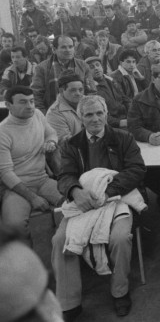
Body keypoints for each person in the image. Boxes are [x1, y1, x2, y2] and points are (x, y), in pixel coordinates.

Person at [52, 95, 146, 320]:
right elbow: (64, 175)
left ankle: (120, 291)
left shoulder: (124, 138)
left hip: (117, 198)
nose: (95, 119)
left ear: (106, 114)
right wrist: (75, 191)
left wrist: (108, 192)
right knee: (60, 240)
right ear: (80, 117)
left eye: (99, 113)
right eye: (89, 114)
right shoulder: (71, 144)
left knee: (120, 238)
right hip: (83, 200)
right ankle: (68, 301)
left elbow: (136, 170)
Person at [0, 86, 61, 242]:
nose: (30, 106)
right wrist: (32, 198)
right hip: (17, 188)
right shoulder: (3, 132)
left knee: (73, 203)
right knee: (14, 225)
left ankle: (70, 253)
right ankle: (27, 264)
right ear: (8, 105)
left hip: (43, 179)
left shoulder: (38, 115)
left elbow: (51, 133)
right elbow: (5, 173)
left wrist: (51, 142)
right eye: (23, 102)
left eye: (32, 101)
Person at [30, 35, 94, 114]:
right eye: (63, 47)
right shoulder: (41, 68)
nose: (68, 50)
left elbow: (91, 91)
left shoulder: (83, 66)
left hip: (80, 112)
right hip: (53, 113)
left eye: (71, 47)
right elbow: (36, 95)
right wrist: (43, 115)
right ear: (54, 49)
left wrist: (88, 112)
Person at [86, 56, 131, 129]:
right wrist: (120, 122)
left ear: (102, 67)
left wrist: (133, 115)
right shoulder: (90, 90)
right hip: (112, 126)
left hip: (126, 119)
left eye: (98, 65)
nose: (96, 68)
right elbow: (99, 115)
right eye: (91, 67)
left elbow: (125, 99)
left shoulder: (112, 81)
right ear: (87, 72)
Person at [45, 70, 84, 143]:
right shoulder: (54, 113)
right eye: (73, 90)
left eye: (81, 90)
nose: (78, 93)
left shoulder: (89, 102)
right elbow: (67, 144)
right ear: (61, 91)